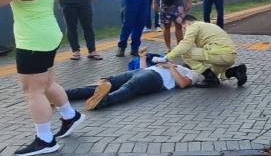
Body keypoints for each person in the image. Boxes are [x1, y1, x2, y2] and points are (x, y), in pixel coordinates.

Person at [0, 0, 86, 156]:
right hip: (49, 36)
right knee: (46, 83)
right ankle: (70, 116)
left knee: (33, 90)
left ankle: (45, 140)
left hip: (33, 40)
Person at [66, 47, 203, 110]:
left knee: (130, 86)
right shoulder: (175, 65)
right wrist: (142, 57)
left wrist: (171, 67)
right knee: (108, 80)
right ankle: (64, 94)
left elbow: (183, 84)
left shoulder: (192, 72)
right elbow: (144, 70)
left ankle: (103, 101)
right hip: (143, 71)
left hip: (156, 79)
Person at [162, 15, 247, 87]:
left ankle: (210, 78)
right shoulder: (206, 26)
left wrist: (166, 58)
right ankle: (236, 71)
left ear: (188, 23)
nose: (185, 31)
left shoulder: (193, 26)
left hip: (219, 53)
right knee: (214, 73)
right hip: (230, 55)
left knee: (185, 52)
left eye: (184, 28)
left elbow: (184, 46)